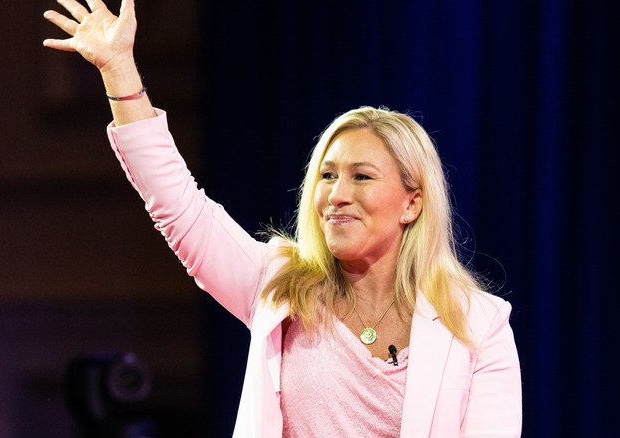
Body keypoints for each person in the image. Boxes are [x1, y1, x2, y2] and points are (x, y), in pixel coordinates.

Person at [43, 1, 523, 436]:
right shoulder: (278, 287)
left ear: (412, 203)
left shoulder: (478, 326)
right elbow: (179, 206)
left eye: (361, 177)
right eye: (327, 175)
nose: (336, 194)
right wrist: (120, 71)